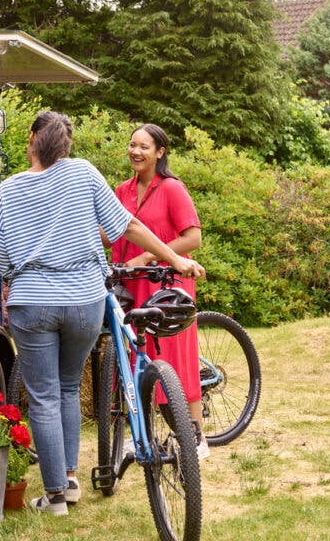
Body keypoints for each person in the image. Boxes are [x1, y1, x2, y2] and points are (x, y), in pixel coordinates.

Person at [0, 112, 205, 516]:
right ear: (67, 145)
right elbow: (128, 226)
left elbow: (1, 258)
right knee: (70, 387)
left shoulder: (10, 189)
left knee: (43, 398)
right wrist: (175, 258)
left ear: (32, 139)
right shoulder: (84, 174)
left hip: (33, 302)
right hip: (85, 300)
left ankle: (56, 495)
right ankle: (70, 479)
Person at [109, 123, 209, 459]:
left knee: (174, 357)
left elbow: (192, 238)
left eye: (144, 147)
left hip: (167, 285)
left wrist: (150, 254)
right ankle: (143, 435)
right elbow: (109, 231)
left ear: (160, 152)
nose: (135, 152)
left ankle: (195, 437)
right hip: (131, 284)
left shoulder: (172, 188)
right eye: (132, 145)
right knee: (137, 358)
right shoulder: (122, 190)